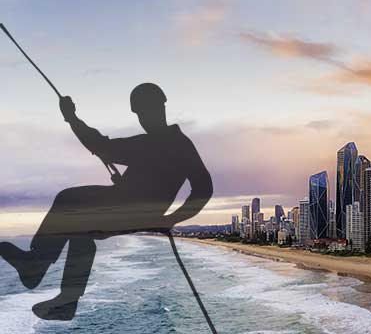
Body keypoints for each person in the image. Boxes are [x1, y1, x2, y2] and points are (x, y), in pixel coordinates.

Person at [0, 83, 212, 320]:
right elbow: (199, 187)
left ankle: (37, 267)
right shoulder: (171, 142)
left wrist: (72, 118)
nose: (143, 118)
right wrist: (167, 217)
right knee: (80, 228)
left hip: (128, 209)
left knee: (68, 199)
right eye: (140, 113)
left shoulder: (161, 143)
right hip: (131, 207)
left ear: (160, 107)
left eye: (145, 111)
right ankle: (67, 300)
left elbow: (102, 146)